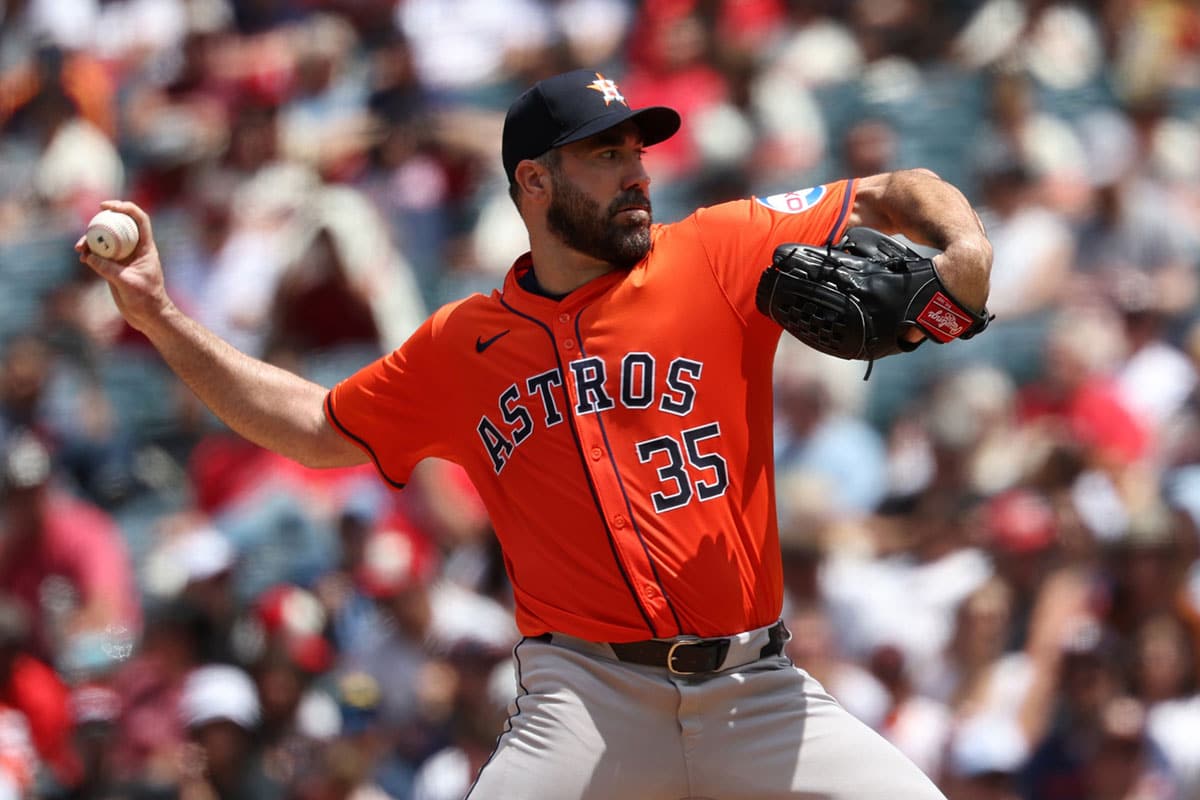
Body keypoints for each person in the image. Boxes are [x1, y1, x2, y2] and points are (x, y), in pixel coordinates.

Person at [77, 68, 992, 799]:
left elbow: (887, 193)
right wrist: (159, 315)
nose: (637, 171)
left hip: (756, 690)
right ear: (534, 180)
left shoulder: (718, 250)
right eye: (605, 155)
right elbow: (317, 429)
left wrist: (967, 254)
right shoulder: (462, 345)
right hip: (589, 702)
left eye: (638, 149)